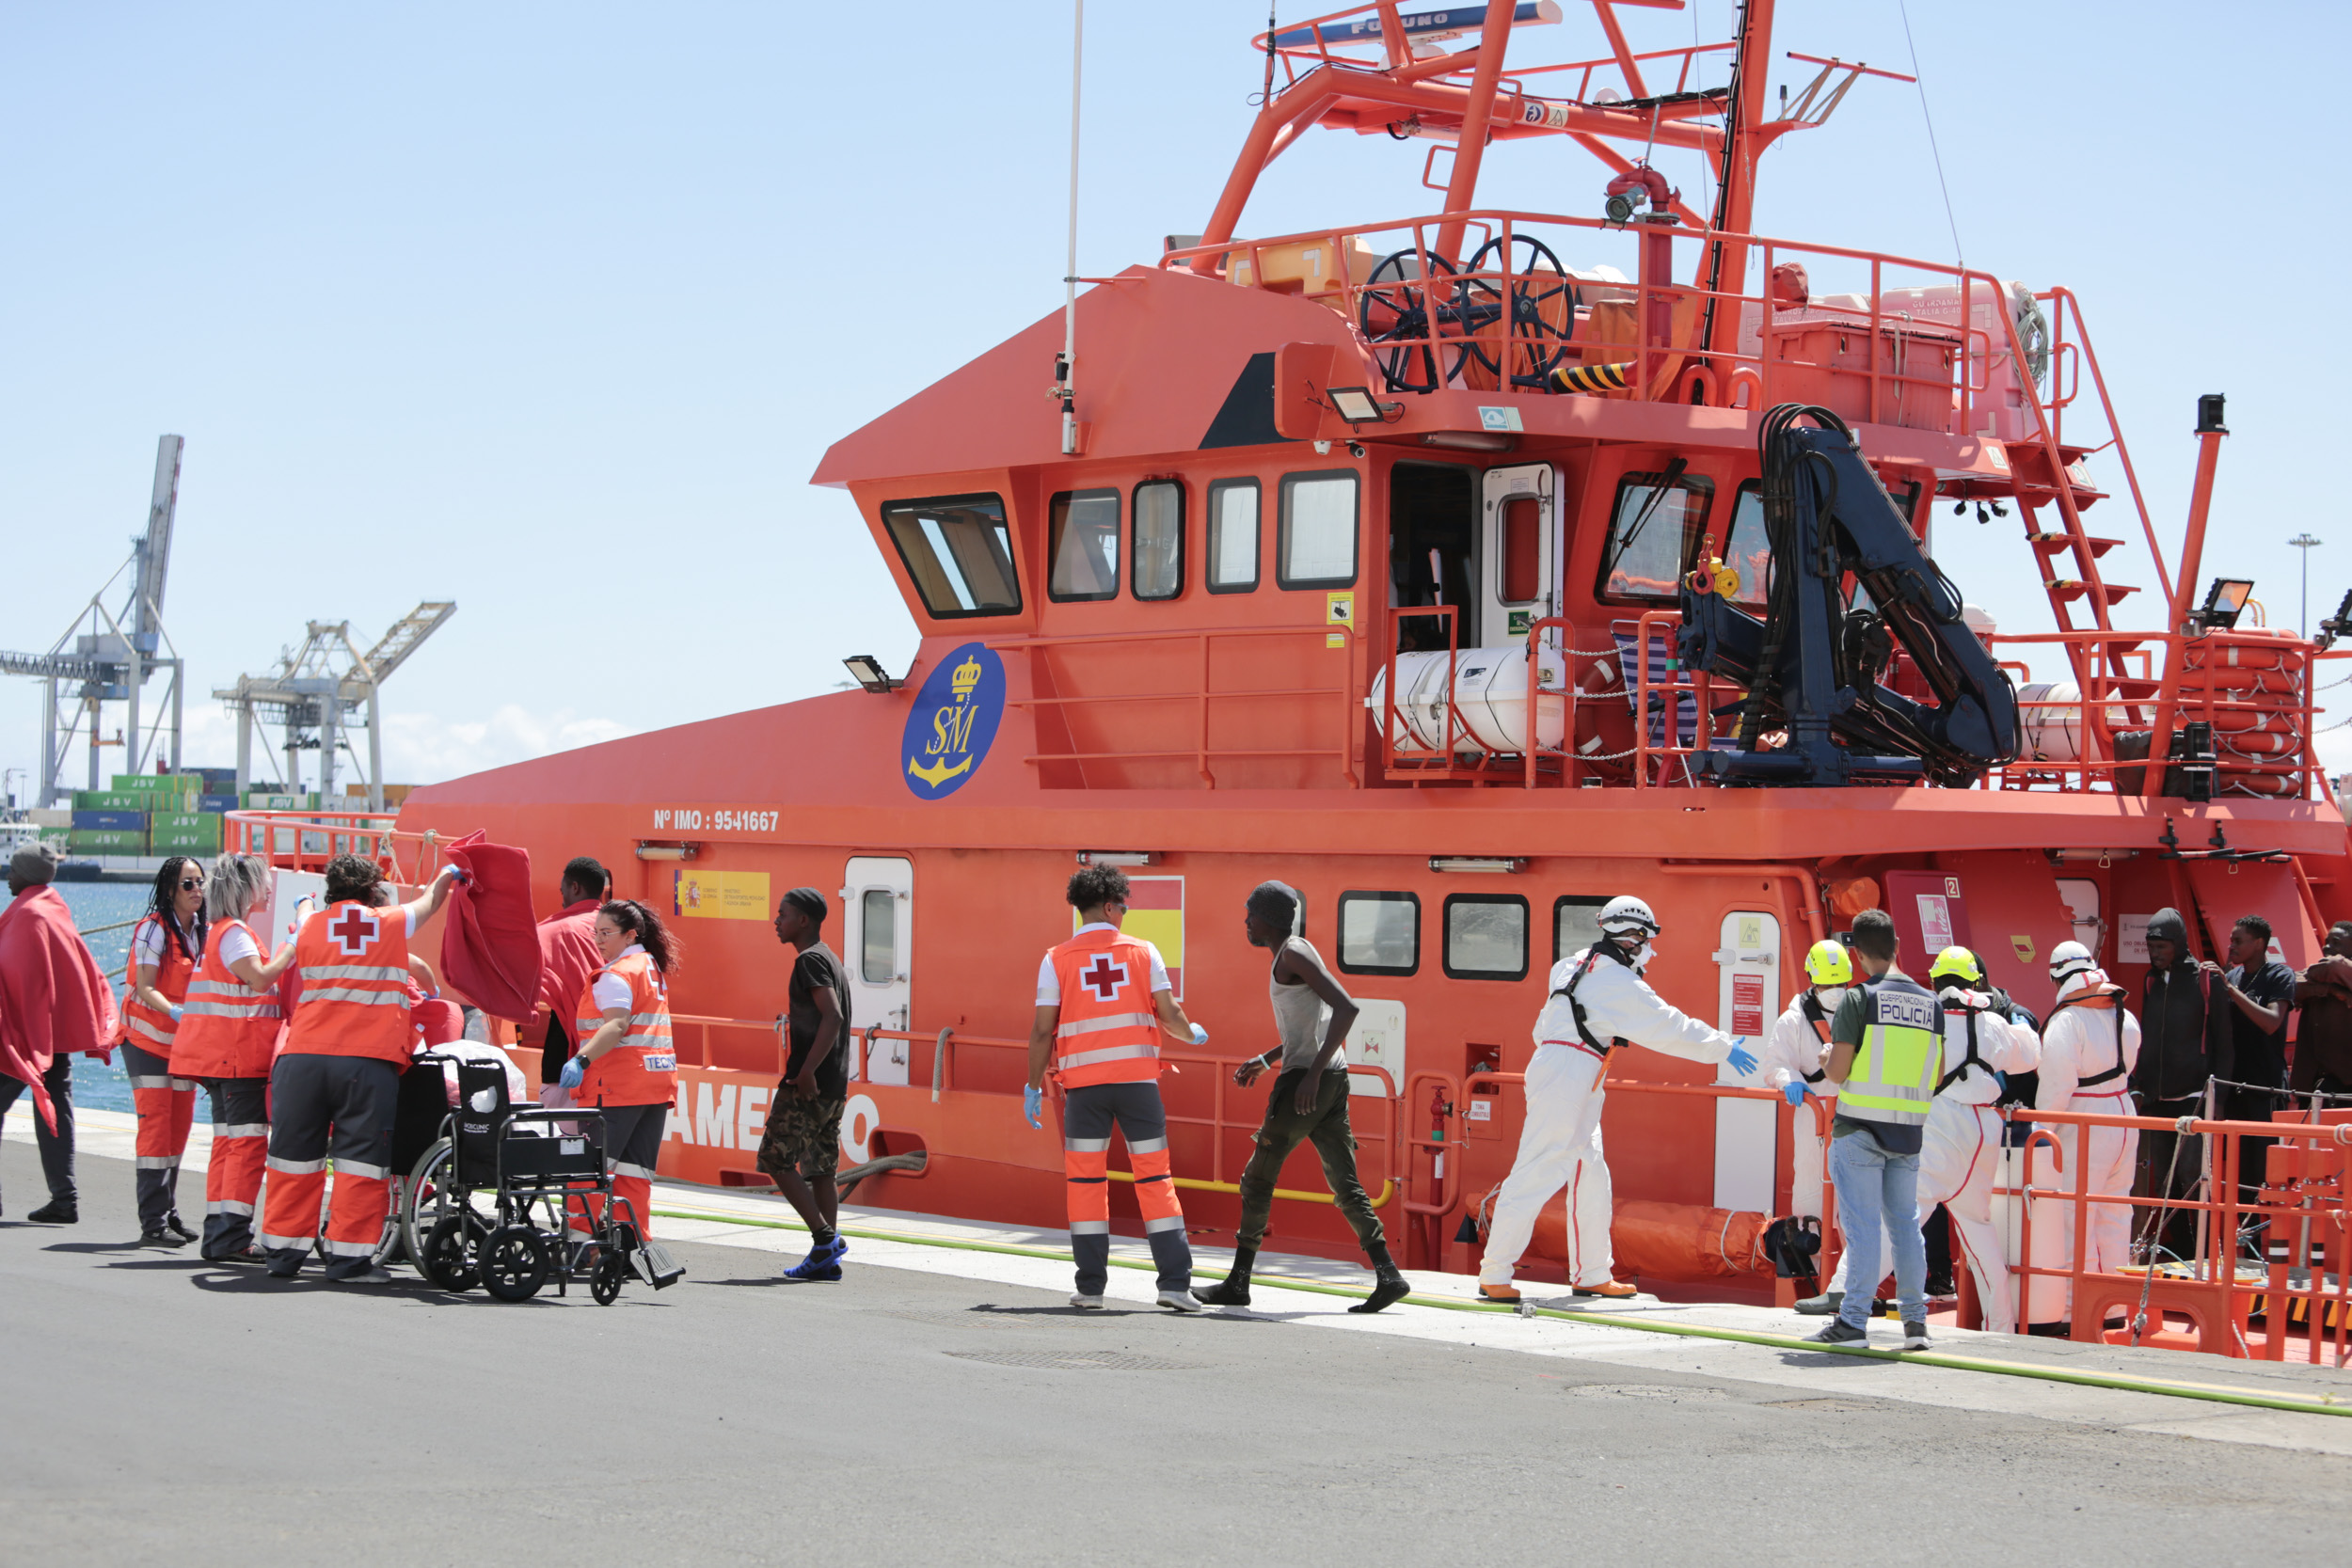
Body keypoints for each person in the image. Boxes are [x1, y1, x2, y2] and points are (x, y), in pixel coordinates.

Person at [1478, 895, 1757, 1305]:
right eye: (1647, 940)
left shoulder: (1572, 965)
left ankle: (1592, 1272)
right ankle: (1494, 1272)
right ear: (1632, 937)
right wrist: (1722, 1047)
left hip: (1569, 1068)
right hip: (1571, 1072)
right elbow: (1668, 1026)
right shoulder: (1617, 982)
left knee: (1589, 1174)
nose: (1651, 950)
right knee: (1538, 1169)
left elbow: (1548, 1025)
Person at [1193, 880, 1408, 1314]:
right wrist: (1268, 1057)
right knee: (1345, 1183)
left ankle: (1238, 1282)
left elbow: (1346, 1008)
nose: (1245, 922)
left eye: (1249, 913)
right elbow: (1314, 1022)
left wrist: (1307, 1075)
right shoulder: (1295, 951)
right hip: (1332, 1079)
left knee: (1257, 1179)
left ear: (1266, 919)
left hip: (1306, 1086)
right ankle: (1388, 1274)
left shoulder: (1292, 953)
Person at [254, 853, 460, 1282]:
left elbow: (306, 909)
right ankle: (348, 1260)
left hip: (302, 1059)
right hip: (364, 1064)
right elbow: (431, 900)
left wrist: (304, 905)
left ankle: (282, 1253)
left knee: (293, 1158)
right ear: (372, 890)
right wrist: (448, 873)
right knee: (360, 1163)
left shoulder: (311, 925)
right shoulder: (388, 922)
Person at [1025, 863, 1208, 1312]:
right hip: (1138, 1089)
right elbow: (1169, 1016)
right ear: (1110, 905)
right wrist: (1193, 1033)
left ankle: (1090, 1290)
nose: (1125, 913)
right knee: (1155, 1179)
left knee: (1085, 1184)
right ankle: (1174, 1286)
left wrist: (1032, 1085)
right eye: (1123, 906)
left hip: (1083, 1092)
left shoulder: (1055, 959)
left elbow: (1041, 1031)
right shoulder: (1144, 953)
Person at [1809, 908, 1936, 1352]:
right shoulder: (1930, 1003)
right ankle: (1915, 1325)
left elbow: (1840, 1072)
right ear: (1897, 947)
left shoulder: (1857, 999)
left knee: (1863, 1232)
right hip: (1909, 1134)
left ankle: (1853, 1324)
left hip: (1859, 1128)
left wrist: (1826, 1059)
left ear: (1857, 955)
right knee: (1906, 1228)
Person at [1912, 946, 2042, 1337]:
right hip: (1985, 1128)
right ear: (1976, 982)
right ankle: (2000, 1328)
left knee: (1901, 1220)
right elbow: (2030, 1055)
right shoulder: (1993, 1024)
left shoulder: (1921, 1021)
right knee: (1979, 1230)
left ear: (1933, 982)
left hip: (1935, 1125)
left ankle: (1849, 1302)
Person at [169, 853, 285, 1261]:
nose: (270, 889)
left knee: (227, 1145)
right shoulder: (235, 933)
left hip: (219, 1060)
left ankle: (219, 1235)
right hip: (238, 1061)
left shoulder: (218, 932)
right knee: (246, 1148)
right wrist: (295, 943)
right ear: (247, 889)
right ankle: (232, 1237)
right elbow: (259, 978)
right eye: (264, 882)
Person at [0, 843, 119, 1224]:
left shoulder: (30, 913)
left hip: (23, 1037)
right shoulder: (53, 906)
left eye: (13, 870)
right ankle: (64, 1199)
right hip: (52, 1035)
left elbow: (20, 978)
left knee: (49, 1110)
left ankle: (61, 1200)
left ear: (27, 875)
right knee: (56, 1110)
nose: (8, 876)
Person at [1773, 939, 1893, 1318]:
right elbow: (1777, 1062)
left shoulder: (1856, 1008)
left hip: (1850, 1112)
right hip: (1820, 1113)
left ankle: (1844, 1287)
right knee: (1818, 1198)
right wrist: (1789, 1079)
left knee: (1851, 1201)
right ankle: (1829, 1283)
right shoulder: (1797, 1019)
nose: (1834, 993)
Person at [558, 898, 680, 1261]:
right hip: (654, 1087)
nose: (598, 940)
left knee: (588, 1168)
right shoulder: (650, 968)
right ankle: (631, 1246)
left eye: (606, 933)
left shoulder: (616, 974)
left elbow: (616, 1024)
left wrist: (581, 1059)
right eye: (595, 933)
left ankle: (577, 1243)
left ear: (629, 935)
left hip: (613, 1087)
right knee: (634, 1174)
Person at [755, 888, 853, 1281]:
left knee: (775, 1159)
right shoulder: (831, 958)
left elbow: (833, 1017)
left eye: (783, 914)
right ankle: (826, 1261)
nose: (776, 921)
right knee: (822, 1170)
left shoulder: (809, 961)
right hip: (835, 1085)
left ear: (804, 921)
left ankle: (825, 1238)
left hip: (807, 1084)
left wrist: (808, 1071)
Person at [2034, 941, 2140, 1284]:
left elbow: (2055, 1088)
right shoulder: (2124, 1013)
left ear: (2055, 977)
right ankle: (2114, 1307)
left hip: (2084, 1120)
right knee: (2115, 1213)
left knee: (2074, 1216)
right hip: (2124, 1112)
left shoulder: (2066, 1021)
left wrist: (2039, 1135)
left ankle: (2071, 1309)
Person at [118, 856, 207, 1245]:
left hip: (184, 1046)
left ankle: (168, 1213)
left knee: (178, 1130)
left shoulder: (203, 931)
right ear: (170, 889)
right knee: (156, 1131)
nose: (196, 890)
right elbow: (144, 985)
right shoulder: (152, 930)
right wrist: (174, 1010)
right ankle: (152, 1222)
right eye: (188, 884)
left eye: (200, 882)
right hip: (147, 1043)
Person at [2134, 909, 2231, 1260]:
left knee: (2193, 1175)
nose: (2154, 953)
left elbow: (2223, 1040)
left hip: (2196, 1094)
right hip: (2159, 1097)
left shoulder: (2206, 981)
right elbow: (2146, 1037)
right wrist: (2140, 1085)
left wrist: (2217, 1098)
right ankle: (2185, 1252)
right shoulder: (2151, 981)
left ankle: (2206, 1252)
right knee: (2166, 1180)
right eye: (2150, 946)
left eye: (2161, 946)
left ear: (2177, 945)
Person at [2215, 913, 2295, 1216]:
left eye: (2238, 941)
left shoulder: (2279, 975)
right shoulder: (2232, 976)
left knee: (2266, 1174)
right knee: (2238, 1178)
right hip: (2236, 1089)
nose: (2231, 946)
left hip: (2266, 1089)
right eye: (2231, 940)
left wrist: (2231, 991)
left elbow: (2272, 1023)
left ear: (2259, 944)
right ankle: (2242, 1252)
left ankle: (2268, 1245)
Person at [533, 856, 608, 1107]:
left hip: (568, 1059)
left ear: (574, 887)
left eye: (563, 889)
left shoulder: (556, 931)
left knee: (563, 1141)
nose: (562, 897)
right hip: (615, 1059)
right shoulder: (619, 930)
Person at [2291, 923, 2352, 1099]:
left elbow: (2334, 966)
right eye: (2326, 941)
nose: (2327, 947)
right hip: (2312, 1082)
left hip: (2346, 1084)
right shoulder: (2319, 970)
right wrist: (2329, 989)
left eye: (2336, 942)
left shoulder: (2329, 968)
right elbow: (2290, 984)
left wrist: (2311, 982)